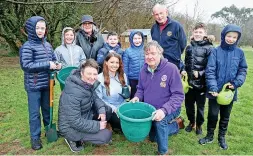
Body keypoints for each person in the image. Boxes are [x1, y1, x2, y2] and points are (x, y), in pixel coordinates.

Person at [131, 40, 185, 155]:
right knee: (152, 137)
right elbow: (140, 89)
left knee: (160, 122)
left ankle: (163, 152)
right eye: (147, 54)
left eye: (153, 53)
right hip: (151, 109)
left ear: (160, 53)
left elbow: (178, 96)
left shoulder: (171, 69)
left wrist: (164, 110)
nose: (149, 57)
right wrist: (137, 97)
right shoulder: (143, 70)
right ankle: (176, 125)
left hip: (170, 108)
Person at [199, 24, 247, 150]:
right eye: (229, 36)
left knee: (225, 116)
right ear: (223, 35)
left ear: (237, 38)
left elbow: (243, 70)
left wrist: (236, 83)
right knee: (213, 114)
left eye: (234, 37)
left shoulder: (240, 53)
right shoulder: (215, 51)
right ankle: (209, 136)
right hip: (215, 92)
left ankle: (221, 137)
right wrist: (213, 88)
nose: (231, 39)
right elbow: (210, 70)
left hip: (229, 92)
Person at [19, 16, 61, 150]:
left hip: (47, 84)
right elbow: (26, 65)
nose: (40, 30)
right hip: (34, 85)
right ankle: (35, 138)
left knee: (47, 110)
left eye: (42, 28)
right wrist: (47, 64)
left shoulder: (48, 45)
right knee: (35, 113)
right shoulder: (27, 46)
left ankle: (49, 130)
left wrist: (57, 64)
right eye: (37, 28)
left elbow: (53, 59)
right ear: (31, 29)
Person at [58, 59, 112, 153]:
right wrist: (97, 125)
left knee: (107, 110)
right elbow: (74, 121)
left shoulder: (85, 83)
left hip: (84, 114)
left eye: (95, 74)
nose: (92, 77)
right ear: (82, 73)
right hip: (70, 127)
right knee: (105, 136)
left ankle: (92, 131)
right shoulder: (73, 92)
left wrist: (101, 109)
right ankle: (71, 139)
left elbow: (95, 98)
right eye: (89, 74)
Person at [181, 23, 214, 135]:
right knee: (189, 105)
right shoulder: (189, 47)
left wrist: (199, 73)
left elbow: (211, 67)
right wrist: (184, 70)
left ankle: (199, 125)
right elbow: (186, 63)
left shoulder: (209, 48)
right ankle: (191, 123)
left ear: (205, 34)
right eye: (196, 32)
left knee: (200, 107)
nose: (198, 34)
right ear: (193, 33)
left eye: (200, 32)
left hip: (201, 84)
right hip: (189, 84)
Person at [96, 52, 128, 131]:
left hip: (122, 106)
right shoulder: (100, 78)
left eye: (117, 62)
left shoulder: (123, 75)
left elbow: (125, 93)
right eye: (112, 62)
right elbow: (99, 99)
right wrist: (114, 109)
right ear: (106, 63)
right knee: (122, 124)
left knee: (131, 120)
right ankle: (109, 123)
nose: (115, 65)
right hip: (109, 108)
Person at [151, 4, 187, 69]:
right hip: (158, 63)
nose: (159, 16)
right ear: (154, 16)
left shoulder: (176, 26)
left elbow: (183, 44)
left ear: (166, 13)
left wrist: (174, 55)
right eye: (156, 14)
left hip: (173, 63)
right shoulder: (153, 28)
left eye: (161, 13)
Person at [122, 31, 145, 99]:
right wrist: (127, 83)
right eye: (135, 38)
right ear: (131, 39)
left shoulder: (146, 50)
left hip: (145, 79)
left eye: (139, 38)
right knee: (134, 98)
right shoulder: (128, 51)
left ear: (142, 39)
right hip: (133, 80)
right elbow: (125, 68)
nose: (137, 40)